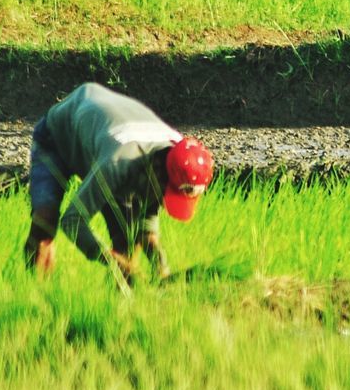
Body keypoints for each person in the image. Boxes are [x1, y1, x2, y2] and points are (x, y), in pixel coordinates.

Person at [24, 82, 214, 284]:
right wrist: (109, 258)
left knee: (128, 241)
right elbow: (73, 220)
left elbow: (147, 216)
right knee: (46, 219)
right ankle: (35, 294)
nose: (164, 198)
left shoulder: (174, 153)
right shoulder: (117, 162)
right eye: (166, 192)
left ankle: (122, 308)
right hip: (57, 135)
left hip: (98, 140)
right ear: (158, 171)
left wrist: (160, 263)